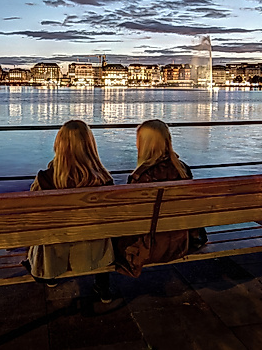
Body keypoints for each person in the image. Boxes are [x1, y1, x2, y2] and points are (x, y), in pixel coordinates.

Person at [21, 119, 115, 303]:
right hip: (94, 251)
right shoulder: (104, 180)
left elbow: (32, 215)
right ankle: (103, 286)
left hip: (53, 251)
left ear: (59, 145)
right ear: (90, 145)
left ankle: (50, 276)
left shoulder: (45, 180)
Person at [115, 119, 207, 278]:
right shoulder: (182, 169)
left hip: (152, 248)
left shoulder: (141, 177)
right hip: (179, 244)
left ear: (143, 144)